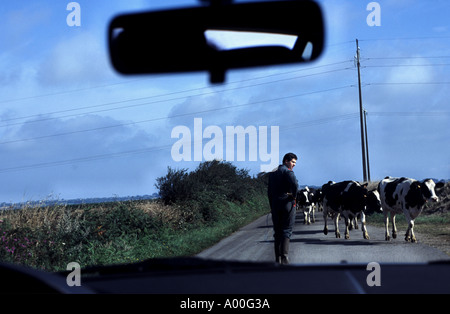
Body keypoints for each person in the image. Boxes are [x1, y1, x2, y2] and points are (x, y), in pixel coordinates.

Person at [267, 152, 299, 265]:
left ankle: (277, 259)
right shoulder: (288, 171)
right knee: (287, 230)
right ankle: (284, 259)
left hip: (275, 204)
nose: (294, 164)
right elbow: (295, 184)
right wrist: (294, 196)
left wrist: (272, 205)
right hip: (287, 203)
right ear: (286, 161)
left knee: (277, 232)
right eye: (293, 162)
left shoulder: (272, 172)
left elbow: (269, 192)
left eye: (295, 162)